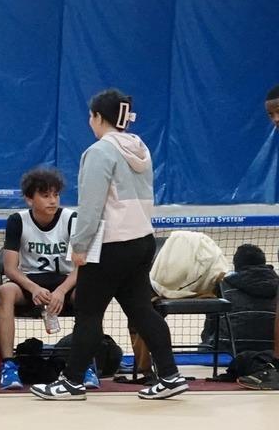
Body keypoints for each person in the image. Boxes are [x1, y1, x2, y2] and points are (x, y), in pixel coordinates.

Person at [31, 89, 187, 401]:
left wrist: (79, 244)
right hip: (142, 240)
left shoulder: (99, 152)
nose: (89, 121)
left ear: (99, 117)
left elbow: (91, 205)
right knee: (142, 310)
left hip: (111, 243)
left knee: (89, 314)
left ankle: (72, 382)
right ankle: (170, 375)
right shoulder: (141, 148)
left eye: (91, 116)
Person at [0, 167, 77, 391]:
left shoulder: (71, 219)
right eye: (45, 195)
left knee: (89, 291)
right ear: (30, 199)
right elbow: (10, 268)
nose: (52, 200)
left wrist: (61, 291)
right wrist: (33, 288)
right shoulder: (17, 220)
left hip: (65, 283)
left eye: (55, 195)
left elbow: (82, 266)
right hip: (31, 283)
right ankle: (8, 365)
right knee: (5, 291)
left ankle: (84, 363)